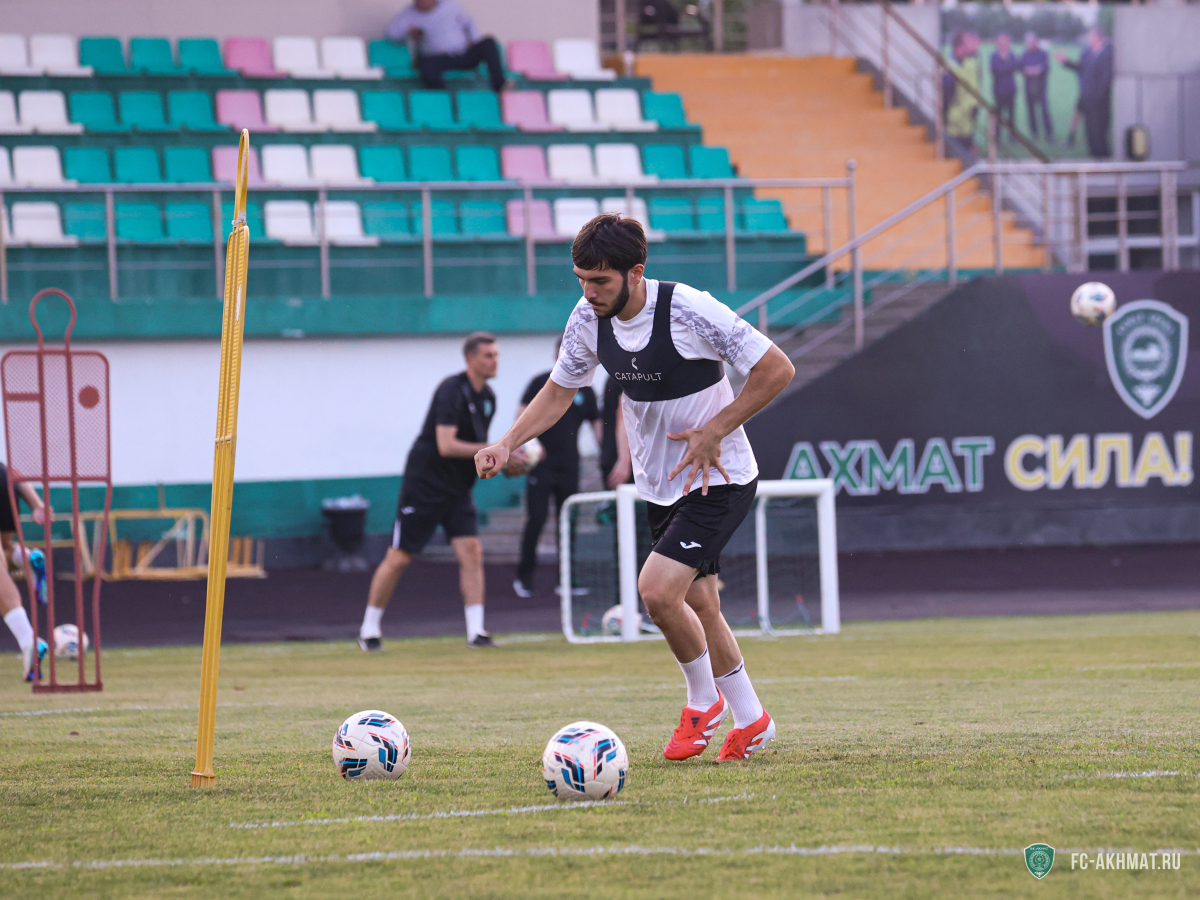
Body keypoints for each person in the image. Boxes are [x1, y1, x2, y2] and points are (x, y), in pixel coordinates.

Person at [475, 214, 796, 762]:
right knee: (701, 604)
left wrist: (715, 430)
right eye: (581, 279)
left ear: (636, 272)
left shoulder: (688, 309)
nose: (588, 291)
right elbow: (560, 390)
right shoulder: (587, 318)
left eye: (599, 280)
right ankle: (753, 720)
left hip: (718, 479)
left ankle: (703, 703)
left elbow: (777, 368)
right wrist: (507, 443)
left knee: (657, 592)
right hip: (660, 484)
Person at [359, 332, 500, 651]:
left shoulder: (489, 397)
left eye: (496, 355)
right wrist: (496, 448)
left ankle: (476, 631)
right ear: (470, 359)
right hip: (425, 485)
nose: (495, 361)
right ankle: (369, 629)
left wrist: (502, 459)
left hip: (458, 488)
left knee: (471, 551)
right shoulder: (451, 390)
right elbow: (446, 445)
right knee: (399, 557)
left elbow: (478, 450)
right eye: (488, 355)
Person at [512, 340, 600, 598]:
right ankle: (524, 579)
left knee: (568, 523)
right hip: (542, 466)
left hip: (570, 467)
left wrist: (612, 459)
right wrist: (527, 446)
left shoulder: (586, 390)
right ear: (556, 356)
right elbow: (521, 417)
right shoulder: (540, 383)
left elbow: (598, 427)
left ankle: (566, 581)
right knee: (536, 519)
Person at [0, 461, 51, 680]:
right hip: (4, 480)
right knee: (4, 548)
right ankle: (26, 558)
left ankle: (28, 641)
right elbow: (10, 471)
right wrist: (36, 503)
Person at [387, 0, 506, 93]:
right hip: (440, 59)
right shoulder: (409, 13)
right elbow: (392, 33)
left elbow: (469, 22)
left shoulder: (449, 5)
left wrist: (474, 40)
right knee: (426, 64)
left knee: (488, 43)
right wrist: (409, 32)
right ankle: (442, 100)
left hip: (463, 54)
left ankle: (500, 86)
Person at [1059, 28, 1113, 158]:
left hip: (1099, 102)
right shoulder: (1087, 53)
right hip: (1086, 98)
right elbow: (1080, 68)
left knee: (1099, 133)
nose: (1089, 39)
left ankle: (1103, 160)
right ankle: (1093, 157)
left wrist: (1096, 98)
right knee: (1089, 132)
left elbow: (1106, 82)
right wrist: (1066, 62)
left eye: (1091, 37)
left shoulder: (1107, 55)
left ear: (1098, 38)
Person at [945, 31, 981, 160]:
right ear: (960, 47)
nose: (972, 46)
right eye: (968, 43)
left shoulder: (969, 63)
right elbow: (947, 96)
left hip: (967, 120)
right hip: (955, 124)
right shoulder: (950, 68)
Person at [1021, 31, 1055, 143]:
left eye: (1030, 41)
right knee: (1031, 111)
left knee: (1044, 111)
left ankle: (1049, 134)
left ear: (1035, 42)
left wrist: (1033, 70)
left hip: (1041, 87)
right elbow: (1022, 68)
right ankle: (1034, 133)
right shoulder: (1025, 54)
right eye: (1027, 42)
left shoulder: (1043, 54)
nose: (1029, 44)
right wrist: (1034, 70)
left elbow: (1044, 68)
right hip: (1029, 87)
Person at [599, 377, 632, 489]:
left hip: (613, 457)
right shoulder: (630, 374)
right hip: (625, 462)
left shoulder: (614, 375)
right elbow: (624, 413)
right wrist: (624, 460)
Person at [989, 33, 1020, 145]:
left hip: (1011, 89)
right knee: (998, 115)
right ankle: (997, 138)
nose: (1003, 44)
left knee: (1011, 115)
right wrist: (1008, 66)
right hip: (999, 89)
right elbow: (995, 69)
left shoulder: (1012, 55)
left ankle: (1012, 136)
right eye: (1001, 41)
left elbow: (1016, 66)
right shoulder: (994, 56)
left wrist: (1004, 67)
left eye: (1005, 41)